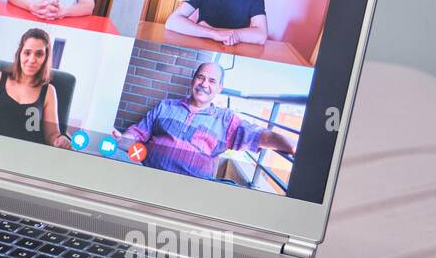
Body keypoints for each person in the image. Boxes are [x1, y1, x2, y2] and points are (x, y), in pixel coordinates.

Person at [108, 63, 295, 181]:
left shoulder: (225, 119)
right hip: (148, 173)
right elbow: (137, 134)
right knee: (107, 153)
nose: (204, 84)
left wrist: (293, 146)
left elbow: (261, 136)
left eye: (212, 81)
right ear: (193, 81)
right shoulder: (166, 106)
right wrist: (121, 139)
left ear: (219, 88)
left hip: (192, 187)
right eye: (201, 77)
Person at [0, 29, 73, 148]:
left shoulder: (49, 91)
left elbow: (52, 135)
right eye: (27, 53)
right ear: (19, 54)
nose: (32, 60)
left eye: (39, 54)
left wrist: (60, 140)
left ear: (46, 58)